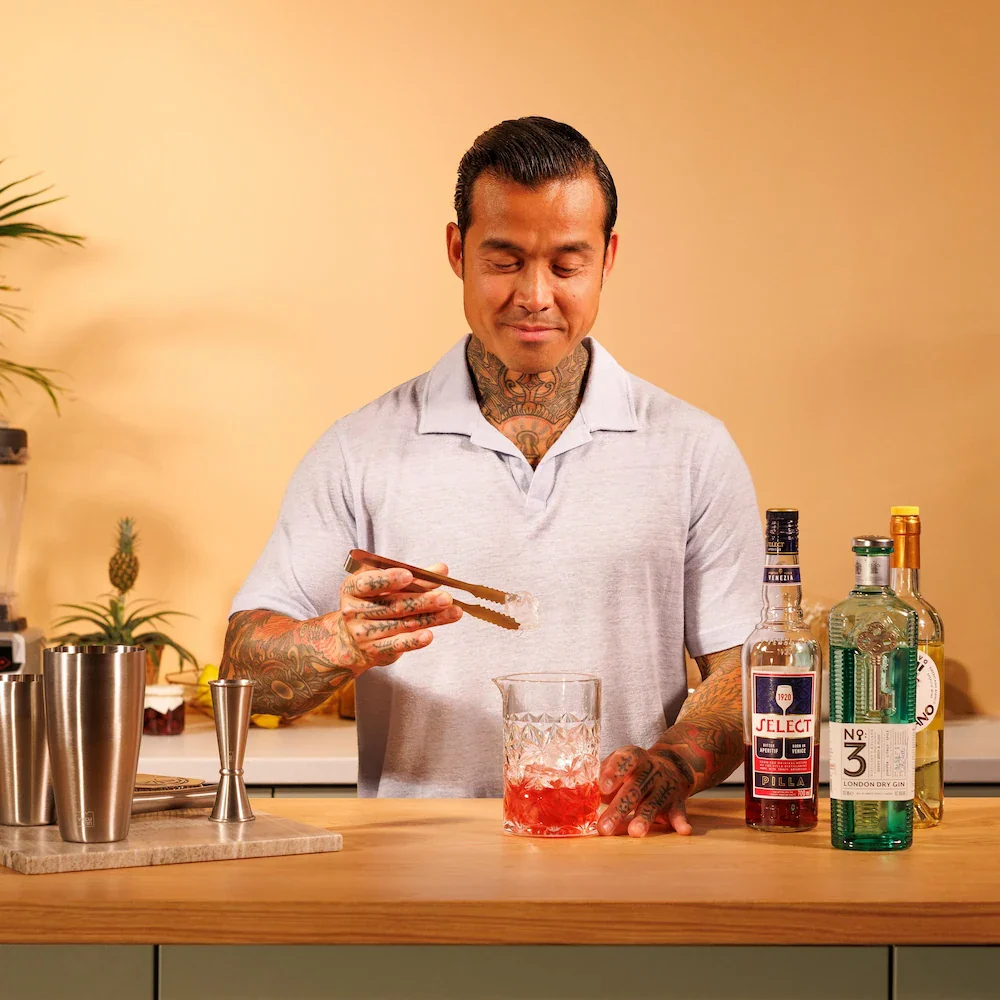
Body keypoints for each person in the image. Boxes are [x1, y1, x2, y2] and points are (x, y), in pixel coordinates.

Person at [221, 116, 762, 837]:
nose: (534, 295)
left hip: (626, 858)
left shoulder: (694, 449)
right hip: (416, 872)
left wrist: (671, 765)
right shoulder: (359, 449)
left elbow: (749, 671)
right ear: (457, 250)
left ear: (608, 257)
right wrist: (342, 640)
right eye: (505, 260)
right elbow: (244, 671)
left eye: (567, 264)